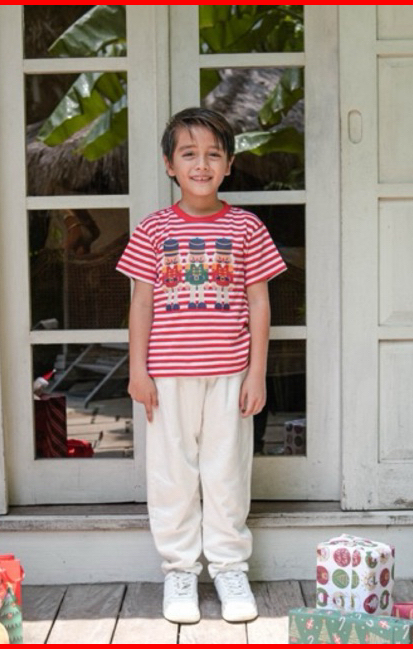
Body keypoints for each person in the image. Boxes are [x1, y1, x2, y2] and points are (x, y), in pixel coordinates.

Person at [116, 107, 286, 624]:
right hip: (167, 376)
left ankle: (230, 568)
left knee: (226, 472)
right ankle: (180, 571)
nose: (202, 164)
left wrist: (256, 373)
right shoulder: (152, 230)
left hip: (230, 374)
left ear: (229, 164)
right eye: (189, 154)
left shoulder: (247, 227)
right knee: (172, 475)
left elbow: (259, 302)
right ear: (170, 165)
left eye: (214, 154)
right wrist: (138, 371)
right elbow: (141, 303)